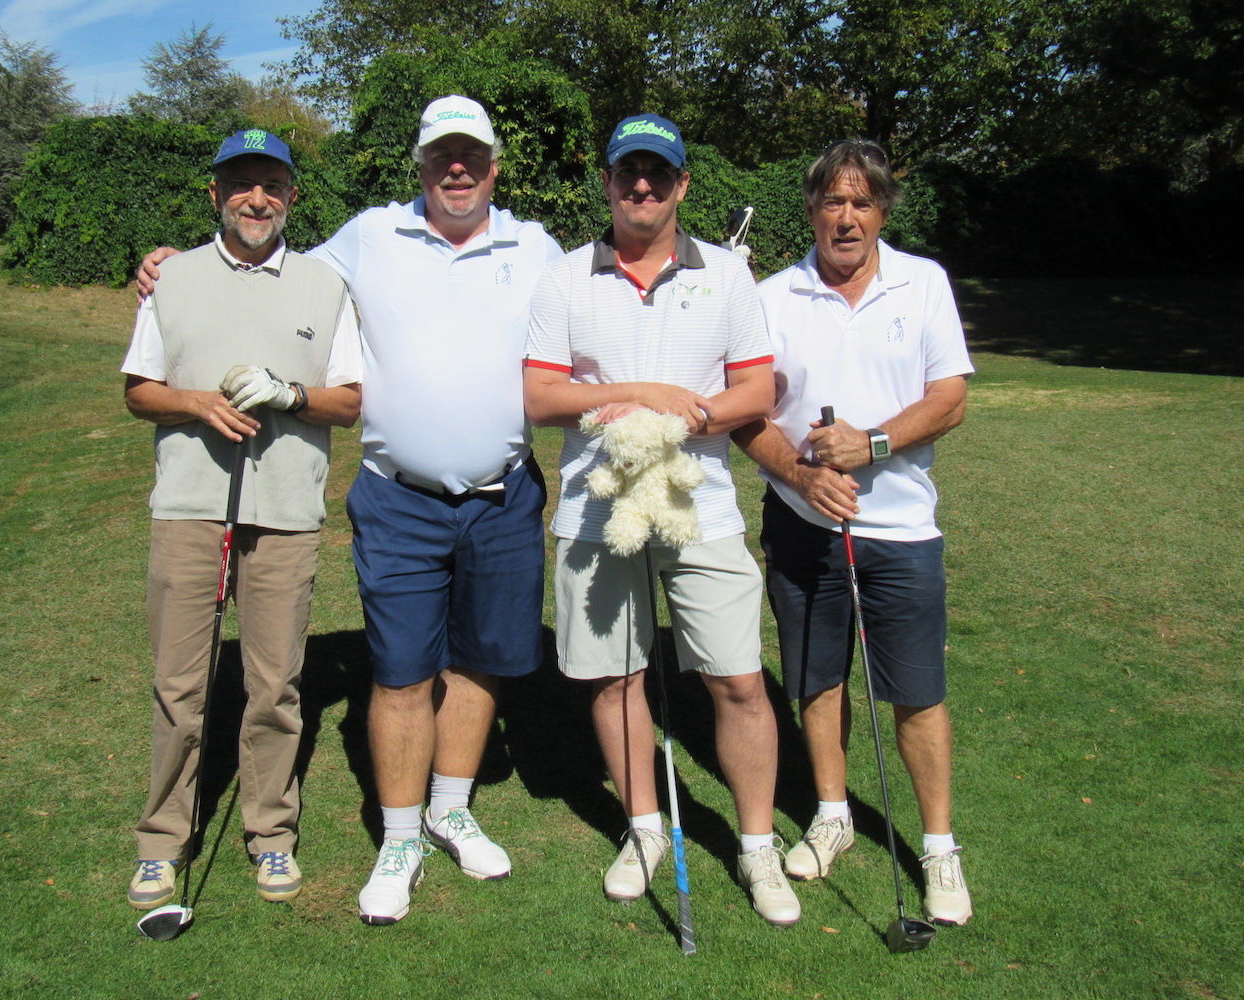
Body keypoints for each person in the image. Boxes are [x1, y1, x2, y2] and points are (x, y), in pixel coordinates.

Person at [137, 97, 562, 926]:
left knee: (481, 663)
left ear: (495, 165)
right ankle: (399, 837)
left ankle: (451, 807)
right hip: (400, 497)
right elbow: (262, 256)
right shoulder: (369, 235)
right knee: (402, 670)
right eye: (442, 153)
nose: (458, 168)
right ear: (421, 163)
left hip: (504, 497)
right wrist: (167, 264)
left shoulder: (536, 245)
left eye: (473, 153)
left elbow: (609, 290)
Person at [523, 114, 800, 927]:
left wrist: (695, 413)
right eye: (625, 173)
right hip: (594, 507)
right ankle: (645, 829)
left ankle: (755, 846)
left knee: (738, 681)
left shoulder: (727, 277)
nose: (640, 186)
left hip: (699, 505)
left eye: (657, 173)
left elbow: (758, 390)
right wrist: (646, 394)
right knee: (615, 678)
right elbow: (541, 397)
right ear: (607, 182)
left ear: (681, 184)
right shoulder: (566, 279)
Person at [732, 139, 975, 926]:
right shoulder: (772, 295)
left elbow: (949, 398)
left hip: (900, 526)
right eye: (832, 202)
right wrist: (801, 474)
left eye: (861, 203)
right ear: (809, 210)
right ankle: (832, 813)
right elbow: (749, 414)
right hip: (803, 525)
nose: (846, 218)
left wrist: (869, 443)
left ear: (881, 212)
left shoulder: (923, 283)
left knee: (916, 691)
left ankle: (939, 849)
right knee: (816, 679)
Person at [121, 129, 363, 913]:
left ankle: (270, 834)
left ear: (291, 196)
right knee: (179, 683)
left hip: (287, 510)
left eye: (271, 184)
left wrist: (287, 393)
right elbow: (138, 390)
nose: (255, 198)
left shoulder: (326, 285)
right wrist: (198, 402)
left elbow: (350, 401)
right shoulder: (173, 278)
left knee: (274, 683)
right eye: (240, 183)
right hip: (189, 505)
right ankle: (163, 840)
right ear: (216, 192)